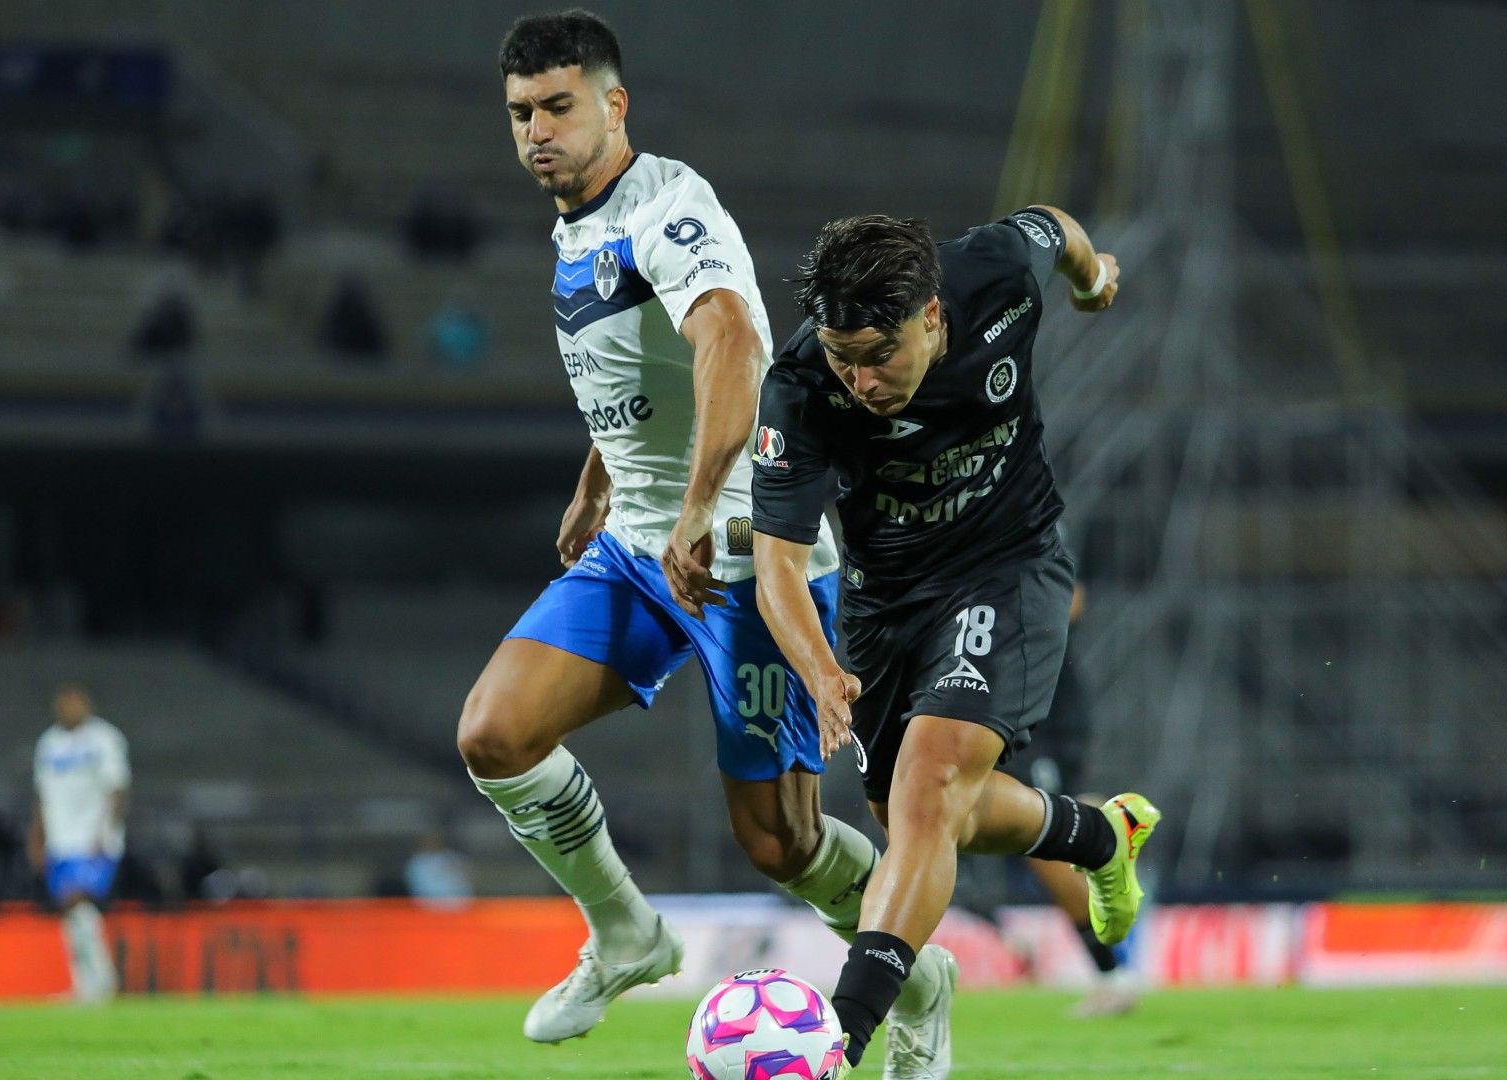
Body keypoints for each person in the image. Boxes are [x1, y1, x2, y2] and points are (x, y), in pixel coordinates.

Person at [453, 12, 956, 1068]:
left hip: (740, 554)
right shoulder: (576, 225)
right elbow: (639, 375)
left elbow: (728, 341)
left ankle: (918, 973)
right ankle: (629, 934)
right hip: (640, 547)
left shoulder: (670, 208)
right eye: (520, 115)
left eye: (558, 107)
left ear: (613, 104)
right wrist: (600, 476)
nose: (537, 131)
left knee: (782, 843)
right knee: (495, 735)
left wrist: (697, 502)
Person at [751, 209, 1161, 1072]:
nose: (858, 379)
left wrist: (1092, 279)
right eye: (841, 355)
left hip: (1005, 567)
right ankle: (1094, 836)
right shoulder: (797, 387)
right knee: (933, 819)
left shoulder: (994, 272)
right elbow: (779, 565)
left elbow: (1056, 227)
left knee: (930, 788)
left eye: (877, 354)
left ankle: (838, 1042)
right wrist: (823, 671)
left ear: (932, 316)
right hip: (882, 609)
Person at [1007, 583, 1148, 1017]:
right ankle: (1105, 840)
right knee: (1026, 835)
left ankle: (1113, 975)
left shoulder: (1024, 520)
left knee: (1042, 843)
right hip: (1003, 711)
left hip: (1043, 717)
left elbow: (1072, 598)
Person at [28, 682, 129, 1003]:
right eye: (63, 704)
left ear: (87, 705)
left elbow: (117, 787)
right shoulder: (49, 743)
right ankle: (89, 983)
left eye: (75, 703)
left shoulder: (105, 738)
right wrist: (37, 838)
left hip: (93, 837)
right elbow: (42, 795)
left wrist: (107, 830)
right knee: (71, 909)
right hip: (61, 839)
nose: (69, 709)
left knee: (77, 899)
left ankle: (99, 981)